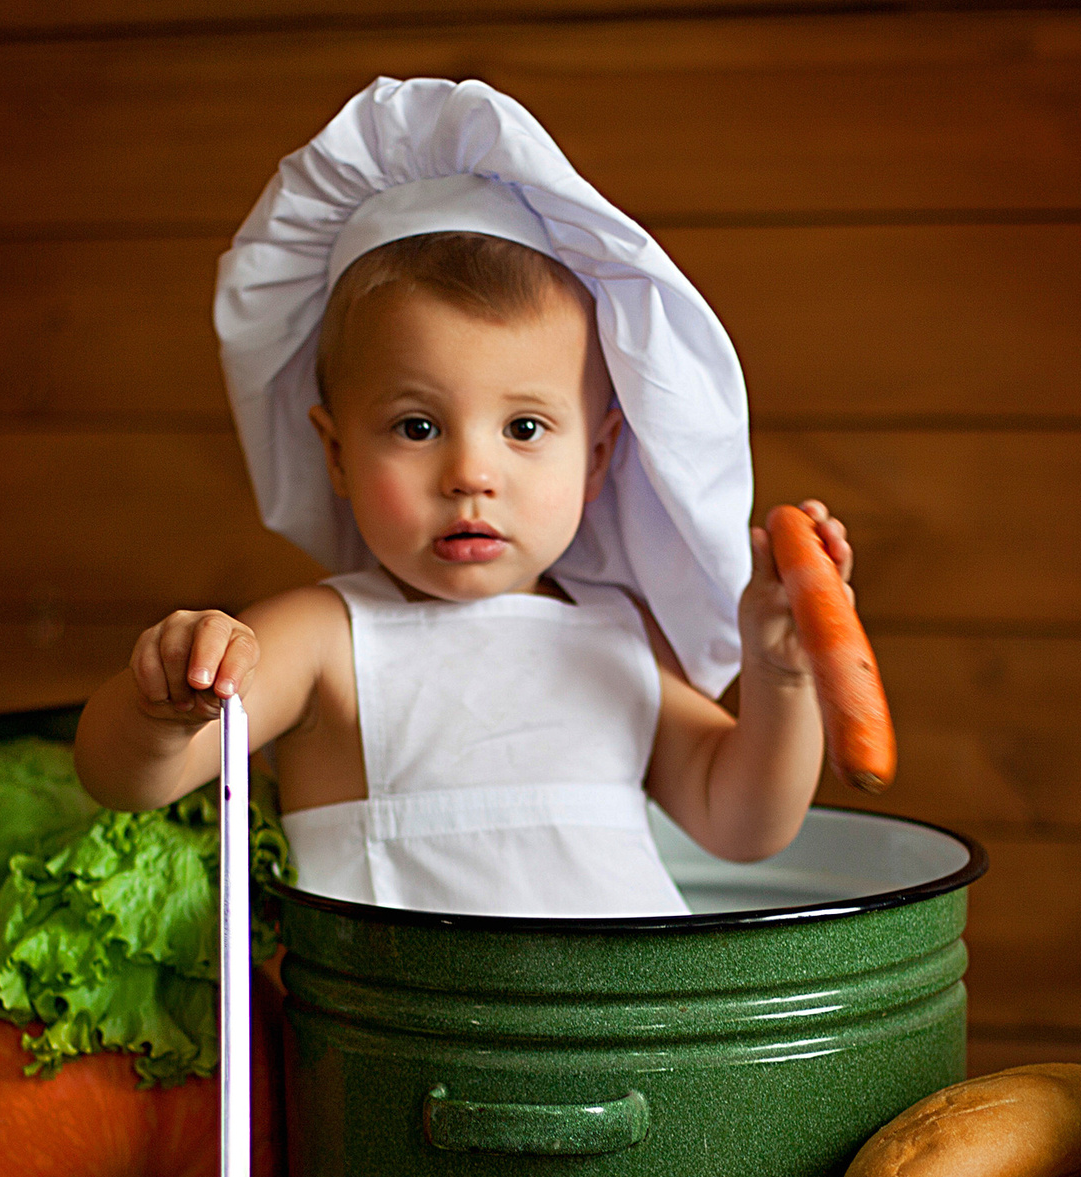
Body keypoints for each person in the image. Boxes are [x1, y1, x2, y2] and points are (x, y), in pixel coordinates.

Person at [73, 79, 863, 917]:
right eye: (416, 427)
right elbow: (122, 781)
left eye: (524, 428)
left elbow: (744, 825)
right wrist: (162, 710)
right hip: (408, 1042)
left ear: (598, 459)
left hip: (631, 1038)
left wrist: (780, 674)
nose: (469, 474)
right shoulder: (321, 641)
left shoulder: (613, 641)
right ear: (336, 453)